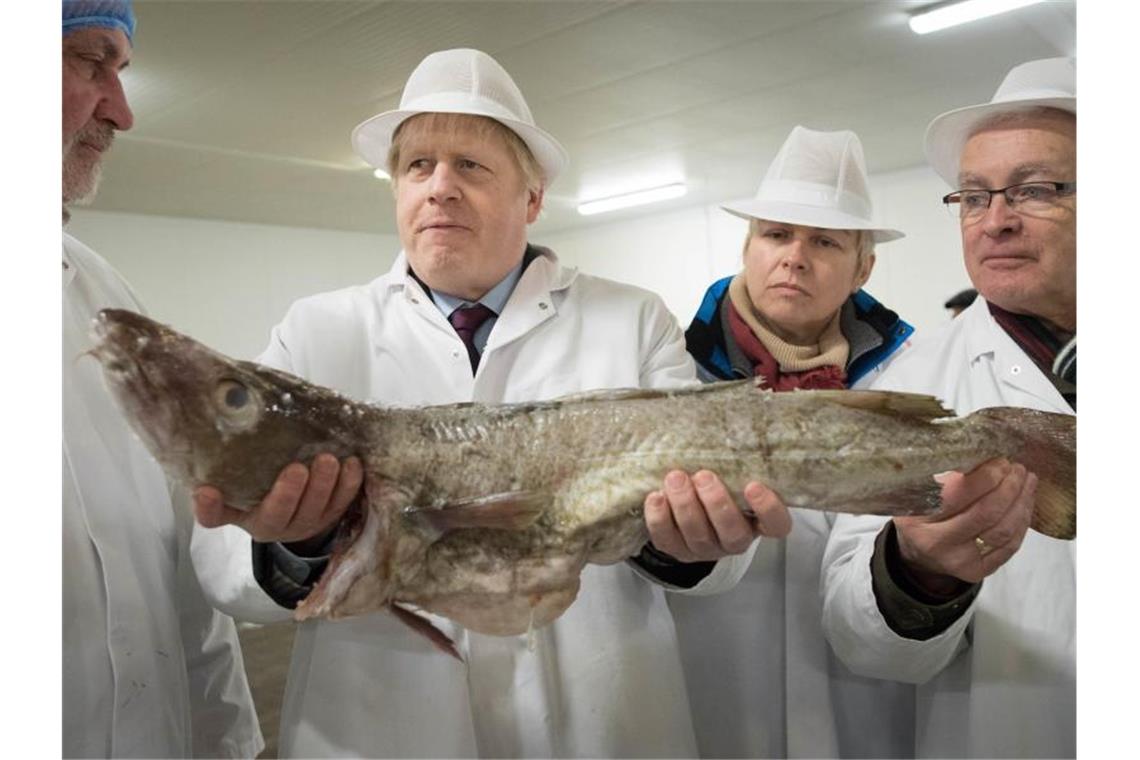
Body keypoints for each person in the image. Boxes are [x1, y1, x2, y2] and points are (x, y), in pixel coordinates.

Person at [189, 48, 774, 758]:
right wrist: (295, 542)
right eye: (417, 166)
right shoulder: (316, 331)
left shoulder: (631, 321)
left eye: (470, 165)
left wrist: (690, 540)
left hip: (597, 717)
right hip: (378, 720)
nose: (439, 187)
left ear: (531, 199)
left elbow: (710, 540)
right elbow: (221, 560)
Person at [820, 57, 1076, 758]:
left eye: (1035, 190)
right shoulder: (909, 382)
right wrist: (917, 572)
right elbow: (853, 635)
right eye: (971, 197)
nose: (994, 222)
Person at [670, 125, 919, 758]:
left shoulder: (910, 379)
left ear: (864, 266)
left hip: (859, 702)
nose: (794, 257)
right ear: (748, 247)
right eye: (775, 234)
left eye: (825, 242)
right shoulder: (671, 370)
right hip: (709, 692)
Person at [62, 1, 263, 756]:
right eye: (91, 61)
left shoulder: (102, 296)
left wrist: (231, 742)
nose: (121, 112)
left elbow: (183, 559)